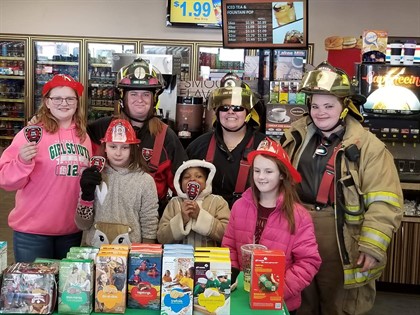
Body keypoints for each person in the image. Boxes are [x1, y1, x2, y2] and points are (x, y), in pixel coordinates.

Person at [280, 61, 404, 315]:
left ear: (345, 107)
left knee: (339, 305)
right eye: (315, 106)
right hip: (297, 229)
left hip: (341, 238)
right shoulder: (295, 136)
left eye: (329, 105)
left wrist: (371, 245)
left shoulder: (370, 148)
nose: (320, 112)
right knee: (300, 303)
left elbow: (385, 202)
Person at [221, 137, 321, 314]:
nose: (261, 177)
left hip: (280, 302)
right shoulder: (239, 206)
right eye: (257, 170)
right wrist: (233, 276)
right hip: (241, 297)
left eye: (268, 171)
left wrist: (277, 289)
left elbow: (309, 261)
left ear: (281, 174)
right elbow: (229, 246)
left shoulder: (299, 216)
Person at [0, 74, 91, 262]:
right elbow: (5, 180)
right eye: (57, 98)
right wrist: (22, 161)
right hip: (32, 233)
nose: (63, 103)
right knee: (35, 291)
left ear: (77, 103)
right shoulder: (31, 133)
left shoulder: (84, 137)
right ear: (47, 102)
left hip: (71, 231)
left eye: (69, 98)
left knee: (68, 290)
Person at [87, 58, 187, 216]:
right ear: (123, 97)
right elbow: (71, 134)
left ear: (154, 98)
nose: (140, 100)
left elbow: (182, 184)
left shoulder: (167, 136)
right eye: (133, 93)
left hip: (151, 219)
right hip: (106, 217)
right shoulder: (100, 129)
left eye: (146, 94)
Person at [186, 73, 266, 208]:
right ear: (217, 112)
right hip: (206, 222)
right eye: (224, 107)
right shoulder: (197, 147)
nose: (230, 112)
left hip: (249, 223)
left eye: (237, 107)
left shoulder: (265, 147)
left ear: (248, 113)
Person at [75, 119, 159, 247]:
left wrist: (146, 252)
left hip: (130, 253)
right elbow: (82, 224)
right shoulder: (93, 176)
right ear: (105, 147)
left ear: (133, 149)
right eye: (113, 146)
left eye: (125, 147)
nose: (118, 153)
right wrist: (86, 195)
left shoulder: (145, 181)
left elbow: (149, 224)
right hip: (95, 252)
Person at [157, 159, 230, 246]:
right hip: (179, 257)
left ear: (207, 181)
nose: (192, 179)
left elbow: (227, 235)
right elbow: (161, 238)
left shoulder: (218, 202)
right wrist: (182, 219)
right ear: (179, 183)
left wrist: (199, 215)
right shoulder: (174, 203)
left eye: (199, 176)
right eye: (186, 177)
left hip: (209, 257)